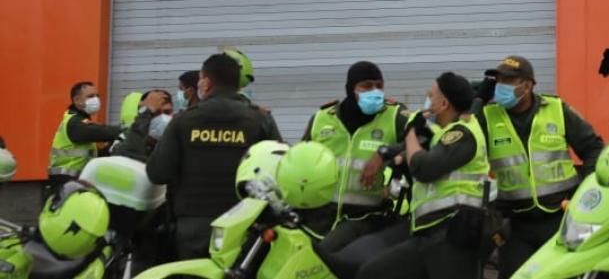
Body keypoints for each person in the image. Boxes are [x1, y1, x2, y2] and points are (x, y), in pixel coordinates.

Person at [353, 73, 492, 279]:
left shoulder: (463, 134)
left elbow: (423, 168)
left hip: (452, 234)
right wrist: (392, 155)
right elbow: (413, 150)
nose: (427, 99)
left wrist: (410, 130)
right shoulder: (444, 133)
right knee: (372, 273)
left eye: (431, 95)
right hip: (429, 233)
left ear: (444, 103)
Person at [146, 53, 283, 259]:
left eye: (200, 78)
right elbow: (279, 169)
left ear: (207, 83)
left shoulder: (184, 121)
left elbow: (158, 173)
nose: (199, 83)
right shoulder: (260, 120)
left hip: (193, 226)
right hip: (244, 224)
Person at [477, 56, 604, 278]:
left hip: (560, 218)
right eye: (498, 81)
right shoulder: (487, 116)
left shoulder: (556, 109)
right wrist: (477, 100)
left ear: (527, 85)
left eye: (509, 80)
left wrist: (586, 191)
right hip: (514, 224)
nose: (501, 86)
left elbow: (593, 147)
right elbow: (458, 135)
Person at [301, 61, 408, 251]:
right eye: (366, 86)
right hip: (318, 219)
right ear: (350, 89)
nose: (374, 91)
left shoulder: (395, 115)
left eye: (379, 85)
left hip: (365, 219)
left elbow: (425, 138)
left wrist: (384, 153)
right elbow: (300, 159)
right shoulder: (322, 118)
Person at [47, 82, 123, 194]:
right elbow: (98, 131)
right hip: (66, 184)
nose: (96, 99)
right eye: (91, 96)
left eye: (97, 96)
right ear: (77, 100)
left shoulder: (81, 122)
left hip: (75, 182)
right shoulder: (74, 122)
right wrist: (124, 131)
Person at [112, 90, 174, 162]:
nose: (164, 118)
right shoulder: (124, 145)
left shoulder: (177, 145)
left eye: (167, 112)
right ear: (143, 115)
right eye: (156, 113)